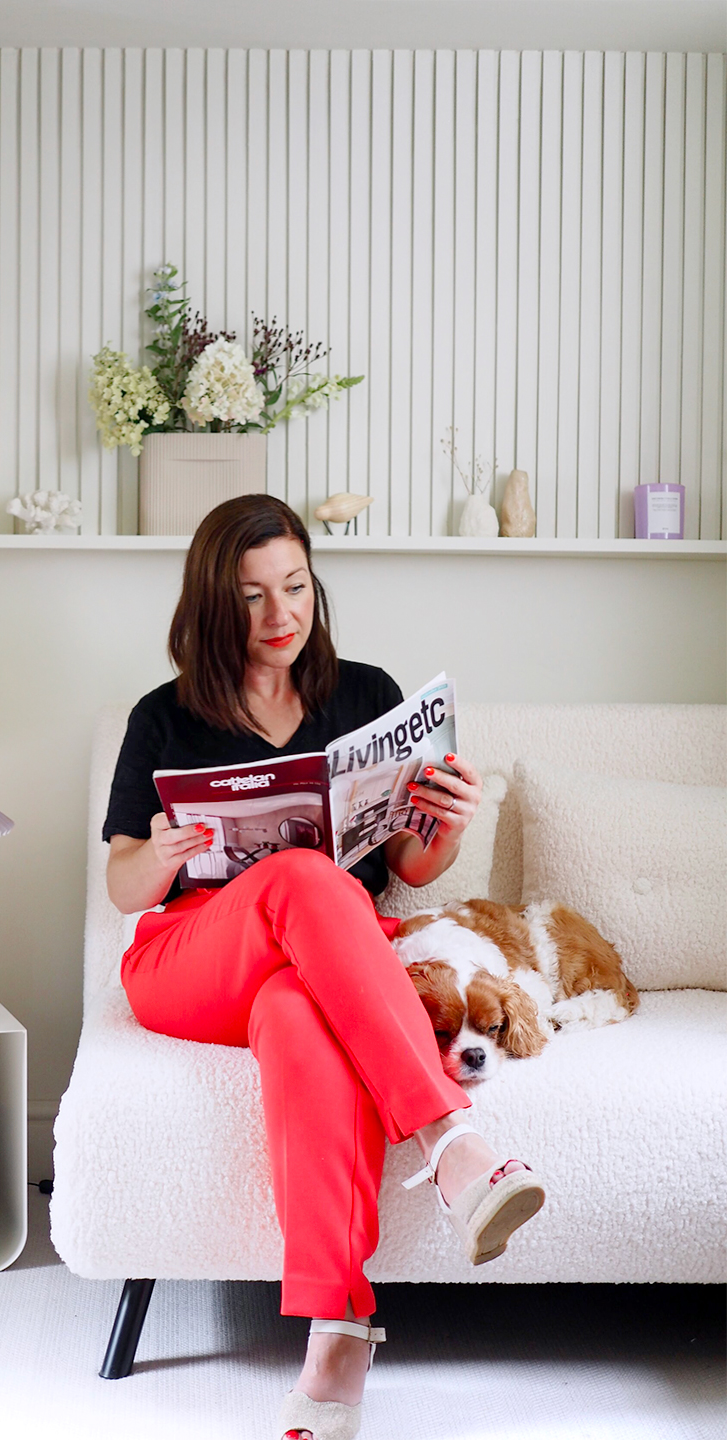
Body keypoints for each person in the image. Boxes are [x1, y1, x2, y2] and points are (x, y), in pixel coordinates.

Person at [103, 495, 545, 1440]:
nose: (280, 616)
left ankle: (336, 1336)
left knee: (303, 1016)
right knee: (301, 874)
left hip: (324, 960)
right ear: (212, 605)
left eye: (295, 587)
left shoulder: (365, 694)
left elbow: (409, 870)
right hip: (191, 955)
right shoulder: (163, 717)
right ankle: (450, 1143)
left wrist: (444, 826)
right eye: (254, 596)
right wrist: (165, 852)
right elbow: (121, 885)